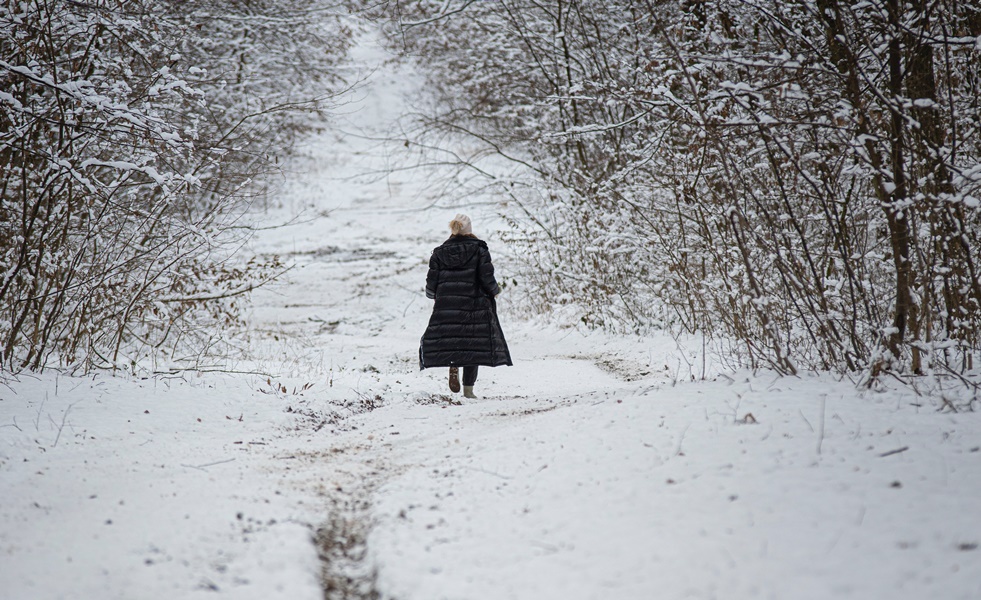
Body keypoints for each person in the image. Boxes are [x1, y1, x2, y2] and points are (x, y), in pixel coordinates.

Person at [419, 214, 512, 398]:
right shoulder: (479, 250)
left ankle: (453, 365)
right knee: (472, 345)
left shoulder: (439, 252)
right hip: (474, 304)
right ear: (469, 230)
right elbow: (487, 277)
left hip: (447, 304)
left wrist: (434, 295)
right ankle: (468, 390)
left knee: (454, 339)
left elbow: (431, 283)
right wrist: (495, 290)